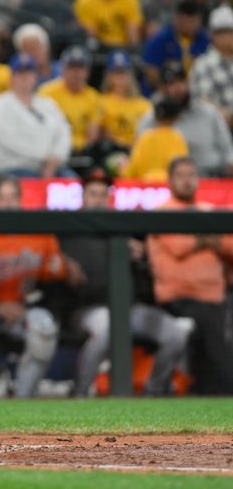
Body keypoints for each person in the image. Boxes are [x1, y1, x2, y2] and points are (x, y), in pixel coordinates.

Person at [58, 168, 195, 396]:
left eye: (103, 195)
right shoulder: (69, 232)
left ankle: (154, 390)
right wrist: (64, 264)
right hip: (90, 309)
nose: (98, 200)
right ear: (83, 198)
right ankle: (80, 392)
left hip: (130, 309)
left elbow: (149, 276)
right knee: (107, 328)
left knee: (176, 333)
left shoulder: (123, 231)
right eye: (93, 194)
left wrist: (142, 255)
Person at [0, 176, 76, 399]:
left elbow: (55, 286)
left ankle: (23, 400)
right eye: (2, 198)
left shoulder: (38, 232)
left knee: (44, 328)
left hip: (25, 306)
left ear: (21, 201)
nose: (8, 204)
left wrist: (27, 304)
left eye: (13, 198)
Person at [147, 157, 233, 394]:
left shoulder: (209, 210)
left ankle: (212, 399)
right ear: (170, 180)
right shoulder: (163, 211)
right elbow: (178, 245)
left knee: (216, 330)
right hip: (180, 298)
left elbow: (230, 245)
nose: (187, 181)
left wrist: (205, 239)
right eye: (181, 175)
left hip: (217, 297)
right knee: (215, 340)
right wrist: (211, 239)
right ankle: (226, 394)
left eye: (191, 175)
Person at [0, 54, 73, 177]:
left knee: (72, 181)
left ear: (36, 77)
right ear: (12, 78)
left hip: (52, 167)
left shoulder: (47, 104)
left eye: (29, 73)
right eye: (20, 73)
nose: (24, 78)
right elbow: (7, 140)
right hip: (13, 168)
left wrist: (56, 157)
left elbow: (63, 132)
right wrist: (44, 157)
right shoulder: (0, 104)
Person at [137, 61, 233, 177]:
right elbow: (139, 156)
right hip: (168, 184)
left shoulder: (208, 113)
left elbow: (228, 149)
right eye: (171, 83)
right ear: (162, 88)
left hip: (212, 179)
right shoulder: (151, 119)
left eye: (181, 81)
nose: (178, 88)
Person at [39, 45, 102, 152]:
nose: (76, 73)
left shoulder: (93, 96)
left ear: (87, 72)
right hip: (53, 148)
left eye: (80, 68)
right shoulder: (47, 92)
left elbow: (93, 133)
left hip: (82, 150)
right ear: (62, 69)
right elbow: (42, 127)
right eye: (71, 68)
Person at [141, 0, 209, 94]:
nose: (190, 26)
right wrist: (168, 87)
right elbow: (150, 70)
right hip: (165, 89)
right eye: (186, 22)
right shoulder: (160, 39)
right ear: (177, 19)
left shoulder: (205, 40)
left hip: (199, 89)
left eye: (193, 21)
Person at [189, 4, 233, 129]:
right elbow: (201, 103)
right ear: (212, 35)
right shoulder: (203, 64)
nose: (226, 37)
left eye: (229, 31)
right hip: (220, 128)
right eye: (221, 32)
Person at [123, 96, 187, 180]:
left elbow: (132, 169)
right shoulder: (176, 138)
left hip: (144, 188)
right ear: (174, 118)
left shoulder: (144, 137)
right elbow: (181, 168)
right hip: (166, 187)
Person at [98, 50, 152, 149]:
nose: (120, 76)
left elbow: (148, 132)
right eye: (116, 72)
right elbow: (101, 132)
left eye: (123, 72)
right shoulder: (100, 101)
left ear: (130, 75)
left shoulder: (144, 104)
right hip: (111, 150)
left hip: (137, 149)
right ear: (108, 75)